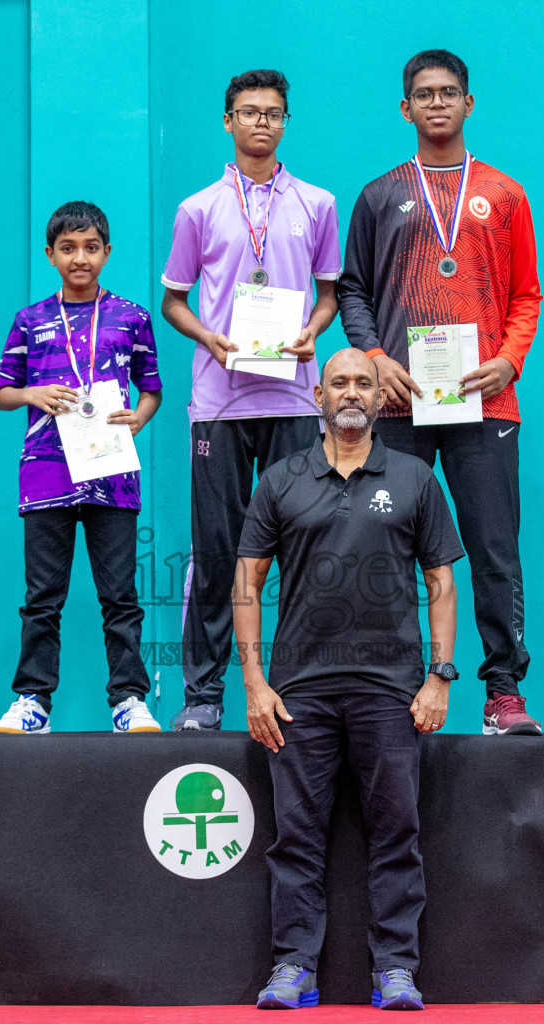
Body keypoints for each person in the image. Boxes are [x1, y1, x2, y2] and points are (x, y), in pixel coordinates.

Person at [236, 348, 462, 1011]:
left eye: (364, 382)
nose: (353, 392)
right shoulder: (279, 481)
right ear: (318, 395)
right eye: (340, 382)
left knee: (396, 834)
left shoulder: (417, 478)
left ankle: (395, 969)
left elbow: (443, 582)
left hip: (391, 691)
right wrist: (253, 681)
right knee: (296, 838)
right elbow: (245, 584)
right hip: (297, 693)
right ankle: (293, 969)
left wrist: (439, 678)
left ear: (380, 398)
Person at [337, 49, 544, 736]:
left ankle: (503, 693)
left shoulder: (506, 194)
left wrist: (509, 362)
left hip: (484, 401)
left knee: (493, 547)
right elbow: (354, 290)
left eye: (449, 92)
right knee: (387, 546)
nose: (437, 103)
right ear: (405, 108)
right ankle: (391, 691)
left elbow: (525, 295)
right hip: (399, 403)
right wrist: (371, 357)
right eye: (423, 94)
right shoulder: (378, 194)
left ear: (468, 103)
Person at [159, 68, 342, 731]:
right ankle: (203, 698)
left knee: (303, 549)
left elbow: (327, 295)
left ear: (285, 123)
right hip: (220, 402)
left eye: (274, 113)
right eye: (249, 111)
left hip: (294, 399)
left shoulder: (318, 204)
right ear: (228, 121)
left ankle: (300, 690)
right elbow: (173, 301)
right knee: (218, 551)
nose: (262, 122)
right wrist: (210, 335)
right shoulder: (198, 208)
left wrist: (311, 334)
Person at [0, 201, 164, 735]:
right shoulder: (30, 319)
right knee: (42, 598)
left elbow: (152, 389)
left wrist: (138, 419)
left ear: (107, 253)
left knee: (120, 597)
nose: (79, 257)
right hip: (45, 472)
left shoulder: (132, 316)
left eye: (90, 247)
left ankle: (129, 701)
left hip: (112, 472)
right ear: (50, 255)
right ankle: (32, 701)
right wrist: (32, 393)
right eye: (68, 248)